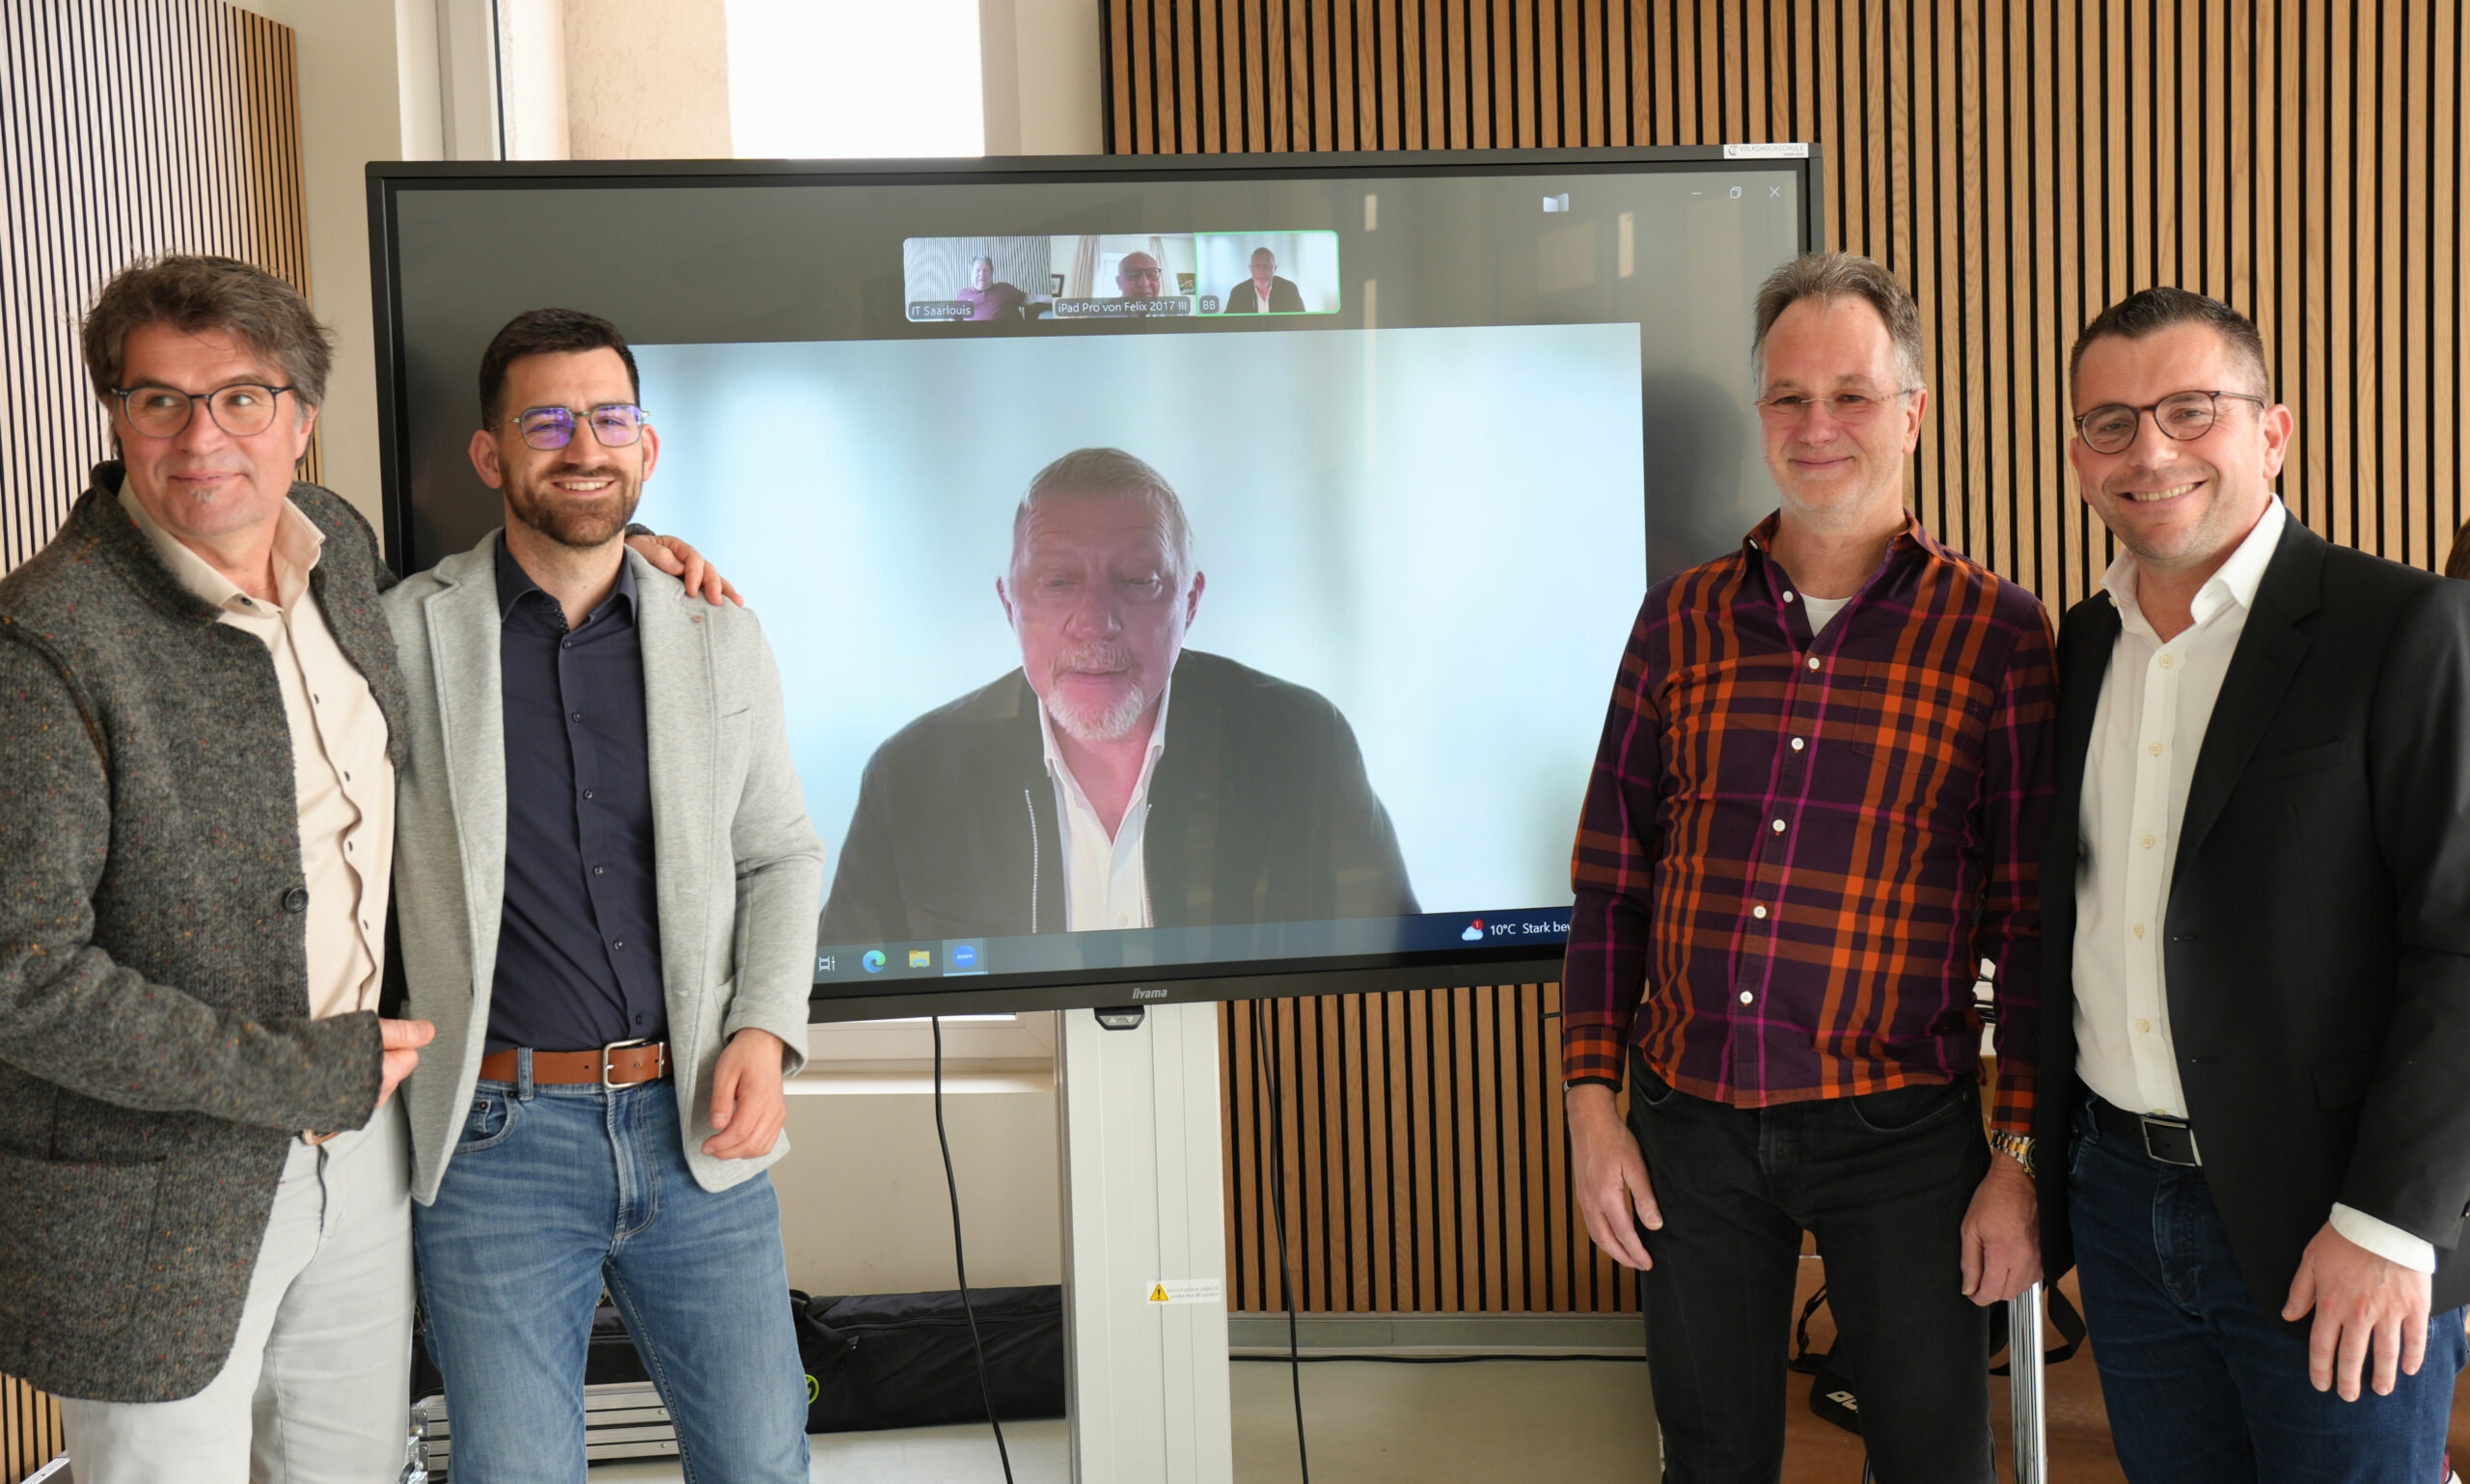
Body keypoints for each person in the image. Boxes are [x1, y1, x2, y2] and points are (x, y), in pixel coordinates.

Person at [0, 258, 732, 1484]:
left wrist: (628, 546)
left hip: (363, 1152)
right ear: (116, 415)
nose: (201, 438)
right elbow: (22, 975)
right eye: (158, 400)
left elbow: (489, 605)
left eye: (241, 398)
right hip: (156, 1200)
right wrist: (296, 1069)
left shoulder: (337, 543)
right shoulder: (46, 638)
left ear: (300, 417)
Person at [1562, 251, 2053, 1484]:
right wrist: (1590, 1105)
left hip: (1901, 1132)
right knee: (1709, 1459)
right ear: (1761, 410)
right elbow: (1610, 881)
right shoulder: (1676, 620)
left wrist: (2017, 1158)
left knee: (1933, 1460)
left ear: (1912, 412)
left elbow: (2032, 926)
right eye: (1788, 395)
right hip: (1688, 1122)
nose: (1816, 423)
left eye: (1851, 394)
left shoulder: (1998, 635)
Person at [2031, 287, 2470, 1484]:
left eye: (2190, 410)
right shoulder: (2081, 645)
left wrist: (2389, 1223)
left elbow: (2458, 943)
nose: (2150, 450)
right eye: (2112, 422)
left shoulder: (2400, 625)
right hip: (2120, 1204)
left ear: (2271, 432)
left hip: (2331, 1217)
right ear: (2079, 457)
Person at [384, 308, 823, 1483]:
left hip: (696, 1123)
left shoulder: (720, 632)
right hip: (494, 1142)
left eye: (610, 417)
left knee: (762, 1462)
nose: (584, 447)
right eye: (547, 422)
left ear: (648, 444)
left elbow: (778, 853)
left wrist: (765, 1029)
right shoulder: (401, 636)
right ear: (490, 455)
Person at [821, 446, 1417, 943]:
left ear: (1190, 603)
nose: (1095, 622)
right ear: (1010, 605)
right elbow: (839, 1005)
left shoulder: (1302, 745)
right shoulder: (912, 778)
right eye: (1058, 582)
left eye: (1137, 581)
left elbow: (1403, 978)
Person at [1222, 247, 1304, 314]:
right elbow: (1226, 324)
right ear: (1250, 268)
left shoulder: (1289, 289)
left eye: (1267, 266)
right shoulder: (1238, 292)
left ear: (1275, 268)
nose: (1262, 271)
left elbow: (1302, 321)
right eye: (1257, 266)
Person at [957, 254, 1027, 321]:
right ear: (971, 273)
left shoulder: (1004, 289)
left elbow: (1030, 300)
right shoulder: (962, 295)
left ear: (991, 273)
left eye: (986, 270)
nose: (982, 274)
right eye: (978, 270)